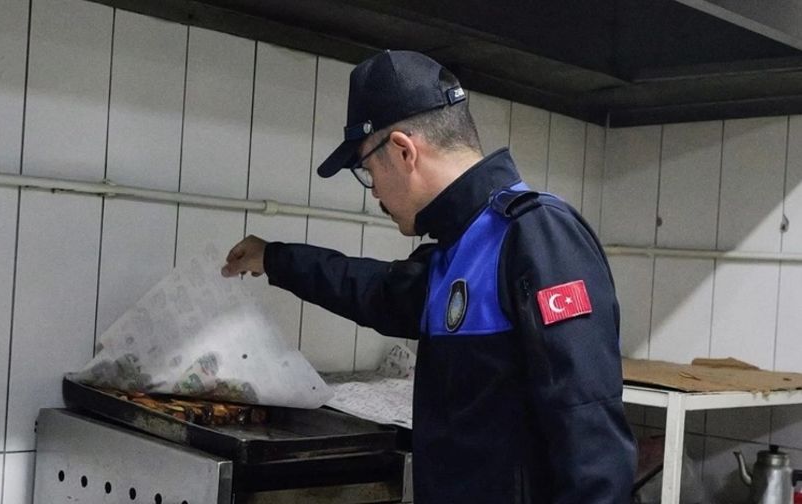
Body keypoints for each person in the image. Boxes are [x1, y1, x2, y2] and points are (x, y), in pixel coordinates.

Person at [222, 50, 636, 503]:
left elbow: (589, 432)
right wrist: (273, 259)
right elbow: (372, 290)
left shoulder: (535, 235)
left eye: (366, 168)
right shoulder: (457, 251)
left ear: (403, 150)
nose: (374, 189)